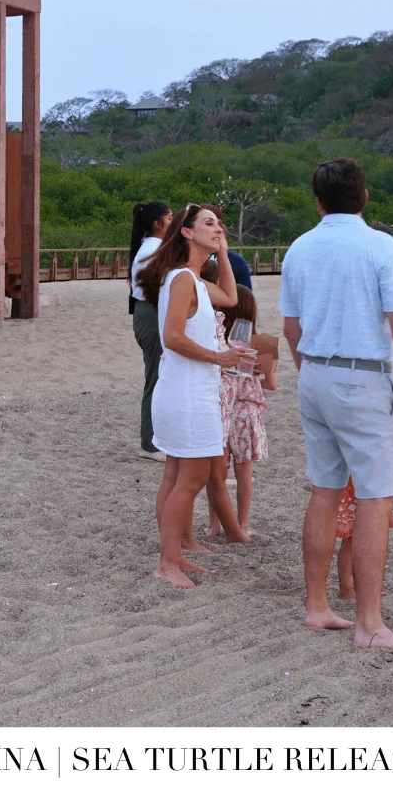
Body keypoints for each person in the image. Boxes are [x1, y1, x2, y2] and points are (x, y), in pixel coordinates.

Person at [281, 158, 393, 653]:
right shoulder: (380, 247)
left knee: (325, 490)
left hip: (314, 372)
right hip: (362, 378)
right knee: (375, 496)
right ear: (366, 196)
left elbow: (291, 329)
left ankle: (317, 605)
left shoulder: (299, 247)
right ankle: (369, 623)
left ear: (317, 200)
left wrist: (310, 370)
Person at [136, 203, 248, 589]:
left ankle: (178, 549)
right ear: (186, 232)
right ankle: (167, 562)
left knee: (176, 474)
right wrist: (220, 356)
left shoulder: (193, 280)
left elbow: (232, 298)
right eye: (208, 223)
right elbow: (172, 338)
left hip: (184, 390)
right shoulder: (183, 279)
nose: (217, 228)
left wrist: (223, 253)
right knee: (192, 477)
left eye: (219, 224)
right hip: (187, 393)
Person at [211, 284, 274, 542]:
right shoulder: (264, 342)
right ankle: (242, 524)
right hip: (246, 411)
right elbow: (272, 384)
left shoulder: (217, 340)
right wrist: (260, 371)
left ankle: (214, 524)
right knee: (244, 472)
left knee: (217, 471)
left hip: (221, 407)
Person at [127, 201, 173, 455]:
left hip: (150, 311)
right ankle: (150, 443)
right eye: (170, 218)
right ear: (158, 224)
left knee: (160, 375)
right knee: (155, 377)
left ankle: (157, 438)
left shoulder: (153, 247)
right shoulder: (154, 250)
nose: (174, 222)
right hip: (150, 312)